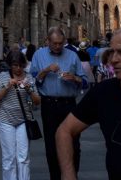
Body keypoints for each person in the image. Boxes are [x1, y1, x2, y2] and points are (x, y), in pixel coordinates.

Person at [56, 27, 121, 180]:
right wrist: (68, 174)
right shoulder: (104, 92)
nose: (113, 59)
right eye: (112, 52)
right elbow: (64, 131)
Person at [30, 26, 86, 180]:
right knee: (51, 144)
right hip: (49, 105)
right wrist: (46, 70)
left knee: (74, 143)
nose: (57, 46)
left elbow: (85, 81)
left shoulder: (73, 56)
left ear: (64, 41)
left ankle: (72, 175)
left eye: (60, 43)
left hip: (69, 105)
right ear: (48, 41)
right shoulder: (38, 55)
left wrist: (74, 78)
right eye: (54, 43)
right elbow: (33, 81)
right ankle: (55, 176)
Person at [0, 50, 41, 180]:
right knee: (9, 157)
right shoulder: (3, 76)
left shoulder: (29, 77)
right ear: (10, 65)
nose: (18, 68)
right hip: (6, 119)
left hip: (24, 121)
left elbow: (37, 101)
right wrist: (7, 86)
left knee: (23, 157)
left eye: (20, 65)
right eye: (15, 65)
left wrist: (28, 89)